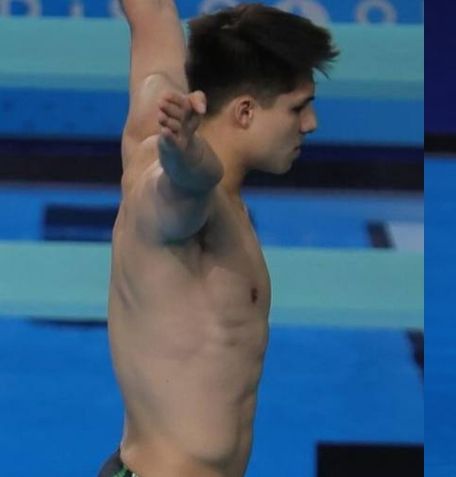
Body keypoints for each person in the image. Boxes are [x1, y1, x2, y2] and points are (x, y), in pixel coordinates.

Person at [99, 2, 337, 475]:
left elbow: (152, 13)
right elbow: (186, 186)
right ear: (245, 111)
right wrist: (186, 156)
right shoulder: (178, 197)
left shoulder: (159, 116)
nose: (310, 124)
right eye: (298, 107)